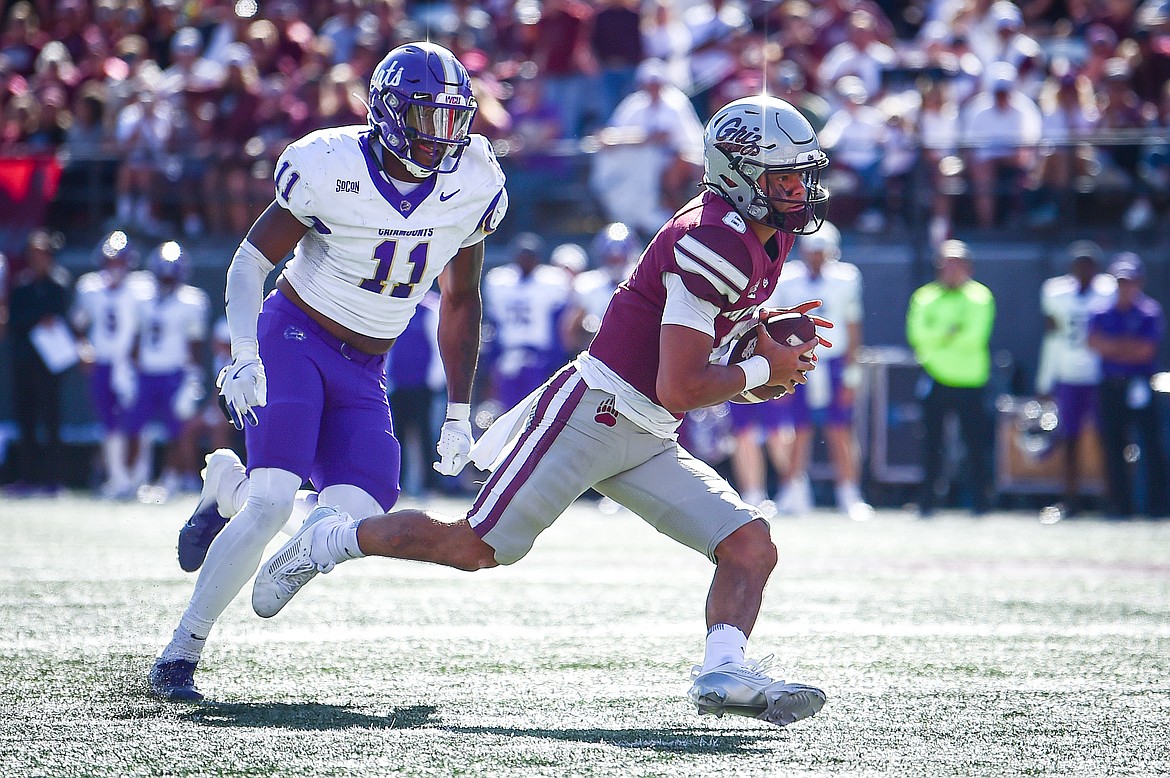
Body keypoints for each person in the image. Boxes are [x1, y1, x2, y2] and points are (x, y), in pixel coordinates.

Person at [252, 94, 833, 728]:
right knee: (473, 548)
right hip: (594, 415)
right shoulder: (712, 239)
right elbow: (679, 385)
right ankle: (335, 537)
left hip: (647, 431)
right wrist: (757, 370)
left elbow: (688, 371)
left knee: (750, 544)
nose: (799, 191)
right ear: (739, 173)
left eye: (804, 175)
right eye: (784, 177)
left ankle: (723, 671)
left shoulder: (758, 238)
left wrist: (752, 356)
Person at [148, 41, 508, 702]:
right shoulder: (329, 163)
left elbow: (460, 299)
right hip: (294, 335)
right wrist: (244, 356)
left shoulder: (472, 181)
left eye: (455, 118)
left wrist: (460, 410)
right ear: (392, 114)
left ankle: (224, 488)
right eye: (429, 118)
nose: (445, 135)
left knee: (353, 512)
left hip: (366, 366)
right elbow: (250, 263)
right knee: (274, 503)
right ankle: (180, 653)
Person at [768, 221, 873, 521]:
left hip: (835, 361)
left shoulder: (846, 278)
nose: (816, 257)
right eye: (811, 250)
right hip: (798, 361)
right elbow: (775, 325)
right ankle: (792, 490)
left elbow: (853, 326)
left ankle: (850, 492)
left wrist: (853, 372)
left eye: (821, 251)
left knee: (840, 430)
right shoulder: (787, 281)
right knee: (798, 429)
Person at [906, 239, 996, 516]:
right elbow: (917, 337)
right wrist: (952, 331)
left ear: (968, 266)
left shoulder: (981, 297)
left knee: (976, 445)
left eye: (956, 263)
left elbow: (973, 338)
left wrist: (939, 336)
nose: (950, 269)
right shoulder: (924, 297)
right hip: (936, 378)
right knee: (931, 445)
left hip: (971, 380)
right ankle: (928, 502)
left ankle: (981, 502)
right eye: (945, 263)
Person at [1034, 240, 1116, 518]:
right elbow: (1052, 339)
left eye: (1089, 265)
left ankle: (1113, 497)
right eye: (1079, 265)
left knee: (1109, 439)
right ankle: (1070, 499)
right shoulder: (1055, 293)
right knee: (1069, 440)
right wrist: (1045, 380)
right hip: (1069, 375)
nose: (1084, 270)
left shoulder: (1109, 291)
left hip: (1101, 375)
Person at [70, 230, 153, 498]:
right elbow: (79, 326)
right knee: (109, 422)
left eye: (120, 262)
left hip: (130, 364)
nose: (116, 268)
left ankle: (139, 478)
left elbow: (146, 329)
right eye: (111, 262)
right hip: (102, 363)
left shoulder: (142, 288)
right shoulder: (90, 287)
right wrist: (83, 348)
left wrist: (137, 358)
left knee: (135, 421)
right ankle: (117, 478)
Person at [123, 241, 209, 497]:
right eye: (163, 274)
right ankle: (130, 479)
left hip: (175, 373)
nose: (167, 279)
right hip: (146, 373)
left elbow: (195, 347)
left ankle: (171, 479)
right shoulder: (143, 299)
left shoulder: (192, 301)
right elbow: (136, 340)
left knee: (176, 431)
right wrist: (129, 372)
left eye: (171, 274)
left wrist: (193, 380)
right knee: (133, 427)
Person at [1087, 254, 1169, 519]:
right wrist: (1126, 346)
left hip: (1140, 384)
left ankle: (1157, 506)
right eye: (1121, 281)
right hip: (1110, 386)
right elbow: (1094, 344)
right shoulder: (1101, 311)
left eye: (1131, 281)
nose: (1126, 287)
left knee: (1151, 446)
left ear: (1140, 282)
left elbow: (1145, 351)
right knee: (1112, 445)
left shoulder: (1149, 311)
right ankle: (1119, 506)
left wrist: (1114, 347)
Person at [4, 229, 72, 496]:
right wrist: (37, 318)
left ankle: (54, 480)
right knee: (26, 422)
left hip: (50, 366)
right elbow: (17, 320)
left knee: (52, 422)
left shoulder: (59, 284)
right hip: (25, 363)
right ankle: (28, 478)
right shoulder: (21, 285)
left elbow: (59, 312)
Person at [481, 233, 572, 410]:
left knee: (537, 409)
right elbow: (494, 323)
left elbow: (561, 323)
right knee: (508, 411)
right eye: (522, 256)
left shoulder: (552, 281)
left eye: (529, 256)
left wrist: (556, 356)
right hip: (508, 355)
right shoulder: (499, 282)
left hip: (539, 356)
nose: (525, 260)